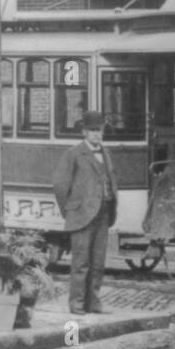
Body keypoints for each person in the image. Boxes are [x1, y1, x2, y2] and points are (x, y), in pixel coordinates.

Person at [53, 109, 118, 315]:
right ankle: (77, 303)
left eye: (99, 130)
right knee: (81, 262)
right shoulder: (73, 153)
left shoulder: (106, 152)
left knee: (98, 262)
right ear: (84, 132)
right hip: (81, 216)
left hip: (104, 213)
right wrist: (71, 210)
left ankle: (94, 302)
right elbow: (60, 185)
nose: (96, 134)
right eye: (92, 131)